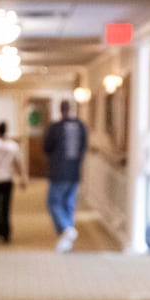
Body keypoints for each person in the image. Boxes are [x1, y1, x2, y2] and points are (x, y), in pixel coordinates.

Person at [43, 99, 88, 252]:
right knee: (68, 203)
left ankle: (66, 228)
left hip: (59, 172)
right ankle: (67, 239)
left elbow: (47, 147)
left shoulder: (56, 128)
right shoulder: (80, 126)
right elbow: (83, 147)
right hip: (74, 171)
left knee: (53, 202)